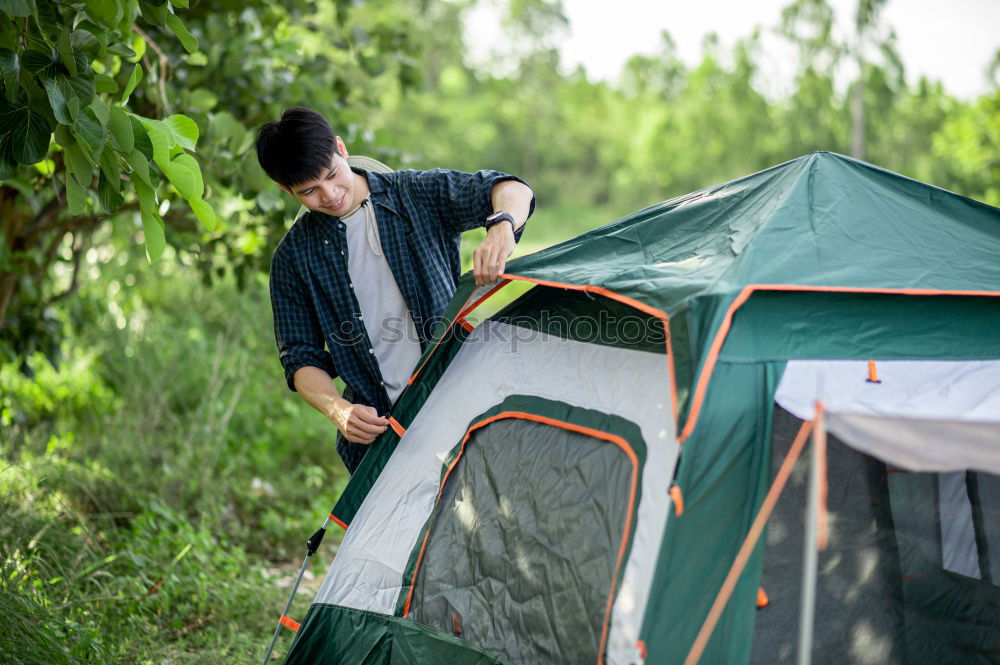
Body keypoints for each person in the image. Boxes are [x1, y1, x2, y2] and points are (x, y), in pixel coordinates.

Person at [256, 107, 535, 474]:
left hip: (460, 403)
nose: (330, 194)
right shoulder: (294, 258)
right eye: (309, 191)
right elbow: (300, 356)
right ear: (285, 190)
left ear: (341, 148)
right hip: (382, 437)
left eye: (332, 175)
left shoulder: (415, 194)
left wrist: (502, 225)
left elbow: (512, 189)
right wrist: (338, 410)